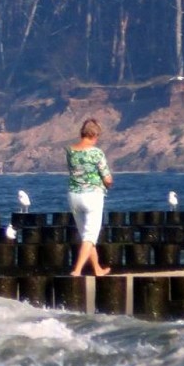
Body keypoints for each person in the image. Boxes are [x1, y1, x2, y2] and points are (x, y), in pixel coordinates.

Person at [66, 118, 113, 277]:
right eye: (97, 136)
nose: (97, 139)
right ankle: (77, 270)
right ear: (93, 135)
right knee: (90, 236)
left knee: (86, 236)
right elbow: (107, 179)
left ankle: (97, 269)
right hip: (92, 196)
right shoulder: (96, 153)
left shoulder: (70, 151)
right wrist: (107, 184)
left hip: (74, 196)